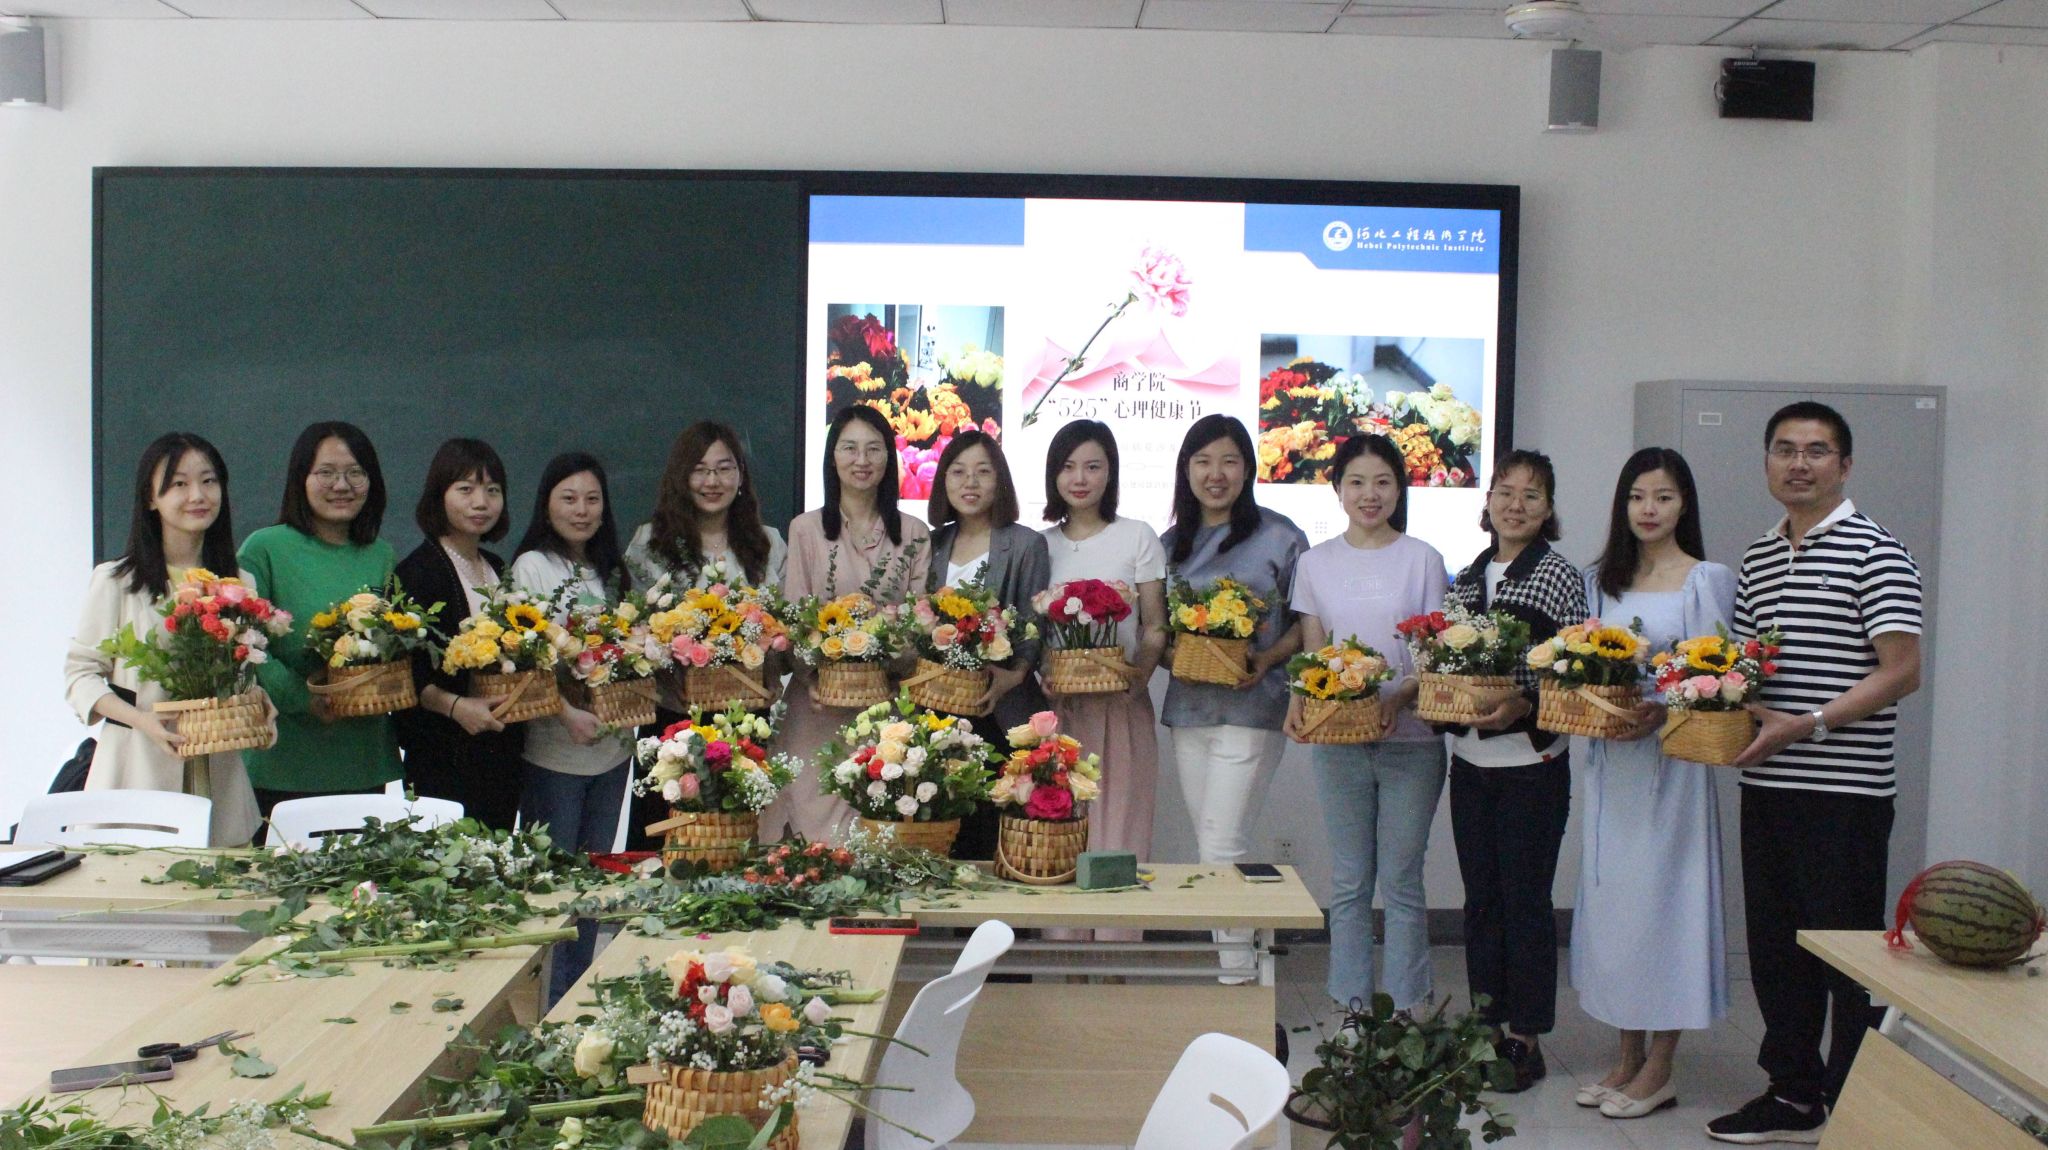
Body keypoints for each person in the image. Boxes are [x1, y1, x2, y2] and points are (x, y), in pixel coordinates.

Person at [1708, 402, 1922, 1145]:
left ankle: (1858, 1103)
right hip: (1768, 784)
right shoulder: (1761, 556)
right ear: (1767, 462)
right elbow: (1747, 669)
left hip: (1846, 793)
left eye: (1817, 451)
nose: (1799, 464)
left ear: (1845, 465)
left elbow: (1902, 672)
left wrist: (1811, 723)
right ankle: (1794, 1095)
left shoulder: (1877, 551)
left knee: (1847, 956)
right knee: (1777, 949)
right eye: (1784, 449)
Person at [1570, 448, 1731, 1120]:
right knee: (1617, 909)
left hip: (1674, 766)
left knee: (1668, 906)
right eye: (1637, 496)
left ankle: (1661, 1067)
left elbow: (1719, 677)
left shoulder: (1705, 579)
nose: (1649, 509)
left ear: (1683, 504)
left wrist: (1662, 708)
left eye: (1663, 497)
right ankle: (1626, 1055)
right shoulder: (1600, 581)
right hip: (1613, 766)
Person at [1282, 434, 1447, 1014]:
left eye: (1382, 482)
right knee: (1350, 882)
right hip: (1340, 742)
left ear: (1399, 489)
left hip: (1412, 743)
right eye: (1356, 482)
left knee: (1401, 881)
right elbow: (1313, 654)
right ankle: (1351, 1008)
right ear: (1337, 489)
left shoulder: (1423, 559)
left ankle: (1405, 1010)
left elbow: (1432, 656)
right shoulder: (1315, 563)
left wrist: (1397, 698)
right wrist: (1300, 699)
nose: (1369, 494)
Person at [1442, 447, 1587, 1092]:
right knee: (1481, 901)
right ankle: (1486, 1027)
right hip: (1471, 764)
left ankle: (1526, 1038)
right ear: (1488, 501)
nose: (1516, 505)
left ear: (1548, 508)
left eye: (1532, 495)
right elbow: (1446, 666)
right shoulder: (1467, 577)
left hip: (1533, 765)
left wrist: (1525, 703)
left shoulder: (1558, 576)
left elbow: (1576, 669)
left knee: (1526, 902)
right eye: (1505, 491)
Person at [1159, 414, 1307, 983]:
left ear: (1247, 469)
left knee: (1221, 844)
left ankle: (1237, 979)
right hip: (1190, 711)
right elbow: (1158, 632)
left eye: (1228, 461)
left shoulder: (1281, 536)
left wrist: (1265, 660)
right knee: (1212, 843)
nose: (1215, 474)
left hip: (1254, 708)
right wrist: (1178, 655)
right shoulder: (1170, 543)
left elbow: (1304, 623)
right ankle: (1243, 966)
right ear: (1186, 470)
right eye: (1203, 461)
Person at [64, 432, 262, 846]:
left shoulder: (238, 584)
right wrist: (142, 721)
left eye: (208, 481)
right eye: (179, 484)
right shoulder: (117, 582)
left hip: (219, 779)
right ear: (151, 499)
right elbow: (80, 675)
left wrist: (258, 704)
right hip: (135, 773)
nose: (198, 495)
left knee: (221, 880)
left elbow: (241, 674)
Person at [763, 405, 929, 842]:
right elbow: (795, 620)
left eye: (874, 449)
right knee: (805, 835)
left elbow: (920, 623)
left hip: (884, 711)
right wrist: (811, 677)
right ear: (832, 457)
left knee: (879, 828)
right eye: (850, 448)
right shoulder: (805, 529)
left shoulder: (913, 533)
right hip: (815, 706)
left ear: (889, 458)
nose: (862, 460)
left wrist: (892, 665)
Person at [622, 421, 788, 849]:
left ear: (740, 476)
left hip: (746, 716)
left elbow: (785, 633)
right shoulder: (650, 544)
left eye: (724, 468)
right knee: (667, 843)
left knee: (736, 842)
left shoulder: (768, 544)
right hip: (674, 717)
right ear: (681, 477)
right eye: (699, 469)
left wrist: (771, 668)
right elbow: (634, 633)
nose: (712, 481)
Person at [509, 451, 633, 1005]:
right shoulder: (533, 566)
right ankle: (547, 1005)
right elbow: (525, 656)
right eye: (569, 499)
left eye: (592, 499)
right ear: (547, 505)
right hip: (554, 754)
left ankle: (578, 998)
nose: (581, 510)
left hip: (612, 752)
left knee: (593, 886)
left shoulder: (611, 571)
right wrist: (565, 712)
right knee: (554, 887)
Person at [238, 421, 404, 816]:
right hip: (280, 756)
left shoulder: (381, 554)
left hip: (362, 757)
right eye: (326, 472)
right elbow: (242, 641)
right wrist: (303, 698)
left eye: (355, 473)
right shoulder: (264, 548)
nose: (341, 485)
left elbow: (394, 640)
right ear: (301, 479)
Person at [1038, 420, 1168, 890]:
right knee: (1058, 833)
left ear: (1110, 472)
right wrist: (1043, 674)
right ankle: (1062, 939)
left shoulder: (1137, 536)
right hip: (1059, 712)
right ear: (1053, 474)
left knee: (1118, 834)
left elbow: (1155, 626)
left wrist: (1139, 678)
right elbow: (1032, 633)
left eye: (1093, 467)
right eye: (1068, 467)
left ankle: (1116, 936)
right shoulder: (1040, 544)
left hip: (1121, 708)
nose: (1080, 478)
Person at [922, 428, 1050, 859]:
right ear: (944, 480)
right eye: (958, 472)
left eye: (983, 472)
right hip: (937, 708)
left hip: (999, 706)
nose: (970, 483)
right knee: (939, 827)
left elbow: (1033, 625)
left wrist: (1014, 675)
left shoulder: (1026, 544)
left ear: (1000, 481)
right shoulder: (931, 544)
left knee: (991, 833)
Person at [393, 438, 524, 831]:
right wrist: (457, 707)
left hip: (500, 747)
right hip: (445, 752)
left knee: (498, 852)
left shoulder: (497, 566)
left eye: (492, 490)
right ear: (440, 495)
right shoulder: (417, 571)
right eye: (465, 489)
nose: (480, 502)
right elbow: (408, 673)